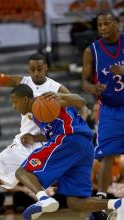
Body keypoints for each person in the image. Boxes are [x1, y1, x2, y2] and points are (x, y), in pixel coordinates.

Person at [0, 31, 89, 220]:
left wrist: (81, 122)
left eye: (39, 69)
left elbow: (81, 105)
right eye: (32, 70)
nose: (36, 73)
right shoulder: (23, 82)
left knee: (69, 188)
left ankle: (101, 208)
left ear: (45, 67)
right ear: (28, 70)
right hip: (25, 144)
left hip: (50, 143)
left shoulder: (55, 88)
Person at [10, 84, 124, 220]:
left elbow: (81, 101)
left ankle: (44, 199)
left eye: (15, 102)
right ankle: (118, 204)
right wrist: (34, 138)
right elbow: (54, 131)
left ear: (25, 99)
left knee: (22, 172)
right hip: (84, 146)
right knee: (75, 202)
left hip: (69, 139)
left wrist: (61, 96)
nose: (14, 107)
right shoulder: (36, 114)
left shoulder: (45, 100)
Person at [82, 12, 124, 220]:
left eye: (107, 23)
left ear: (117, 23)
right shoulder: (92, 51)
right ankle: (100, 199)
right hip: (109, 109)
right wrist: (93, 87)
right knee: (106, 155)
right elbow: (84, 81)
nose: (103, 27)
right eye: (99, 24)